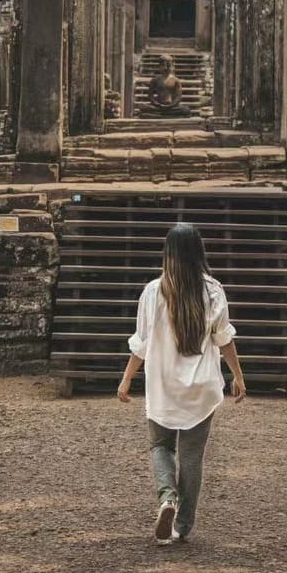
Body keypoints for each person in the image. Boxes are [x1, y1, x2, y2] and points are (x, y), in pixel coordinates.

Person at [116, 222, 246, 544]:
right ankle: (182, 526)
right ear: (199, 252)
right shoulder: (213, 290)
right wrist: (238, 376)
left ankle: (167, 498)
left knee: (160, 446)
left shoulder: (152, 292)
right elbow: (223, 339)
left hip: (162, 386)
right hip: (200, 388)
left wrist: (127, 377)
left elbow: (142, 344)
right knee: (192, 456)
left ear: (168, 253)